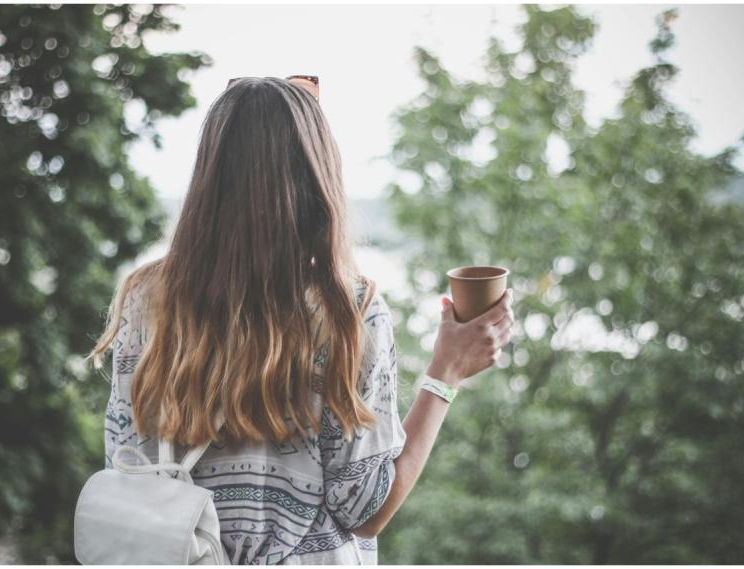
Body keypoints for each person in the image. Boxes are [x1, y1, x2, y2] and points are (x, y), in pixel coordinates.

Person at [87, 76, 515, 565]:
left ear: (209, 174)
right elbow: (364, 510)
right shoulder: (345, 311)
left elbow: (127, 468)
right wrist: (446, 373)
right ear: (317, 179)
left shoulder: (147, 299)